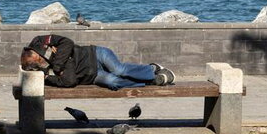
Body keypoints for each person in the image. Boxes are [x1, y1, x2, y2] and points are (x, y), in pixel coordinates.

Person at [21, 34, 175, 90]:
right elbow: (70, 81)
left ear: (32, 52)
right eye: (37, 62)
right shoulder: (45, 72)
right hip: (92, 75)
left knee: (118, 70)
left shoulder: (39, 40)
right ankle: (151, 81)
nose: (40, 59)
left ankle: (151, 69)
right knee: (113, 82)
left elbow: (67, 42)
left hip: (95, 54)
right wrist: (50, 75)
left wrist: (58, 65)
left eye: (37, 57)